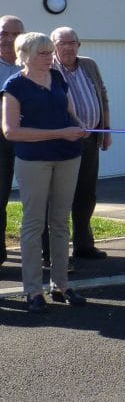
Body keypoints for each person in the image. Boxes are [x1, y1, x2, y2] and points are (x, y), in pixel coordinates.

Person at [1, 32, 89, 313]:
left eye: (49, 51)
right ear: (24, 54)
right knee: (33, 224)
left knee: (61, 222)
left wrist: (79, 126)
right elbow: (11, 131)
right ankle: (32, 290)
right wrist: (59, 133)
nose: (49, 57)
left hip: (68, 157)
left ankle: (61, 285)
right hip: (34, 160)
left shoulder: (58, 77)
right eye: (42, 52)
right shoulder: (14, 86)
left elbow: (69, 111)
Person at [40, 27, 110, 261]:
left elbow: (102, 95)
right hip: (60, 142)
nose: (68, 47)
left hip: (89, 140)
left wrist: (105, 130)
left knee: (86, 194)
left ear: (79, 45)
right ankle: (53, 251)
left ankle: (84, 245)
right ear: (53, 45)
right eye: (62, 43)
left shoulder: (89, 65)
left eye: (73, 42)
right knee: (58, 197)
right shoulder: (47, 68)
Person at [0, 14, 25, 269]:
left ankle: (46, 254)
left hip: (32, 139)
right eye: (3, 34)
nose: (8, 39)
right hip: (0, 141)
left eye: (15, 34)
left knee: (39, 199)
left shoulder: (32, 66)